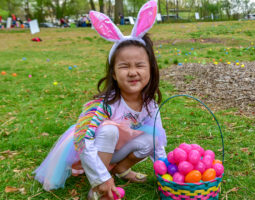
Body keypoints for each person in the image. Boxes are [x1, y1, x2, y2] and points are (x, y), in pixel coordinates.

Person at [33, 1, 165, 200]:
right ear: (113, 73)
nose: (132, 72)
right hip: (92, 153)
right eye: (124, 66)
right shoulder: (105, 104)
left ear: (150, 69)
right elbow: (84, 142)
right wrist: (101, 178)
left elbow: (159, 143)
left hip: (118, 152)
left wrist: (167, 174)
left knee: (153, 138)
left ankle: (120, 169)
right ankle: (98, 186)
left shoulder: (150, 105)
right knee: (110, 129)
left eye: (140, 65)